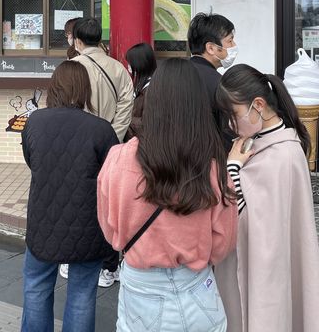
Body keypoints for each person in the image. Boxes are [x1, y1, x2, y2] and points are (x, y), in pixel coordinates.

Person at [98, 58, 237, 331]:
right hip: (196, 287)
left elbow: (109, 228)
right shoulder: (213, 167)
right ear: (198, 106)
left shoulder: (118, 159)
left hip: (139, 288)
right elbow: (224, 243)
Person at [214, 64, 319, 332]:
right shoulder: (256, 143)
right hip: (249, 263)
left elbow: (252, 224)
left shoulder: (284, 153)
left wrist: (232, 168)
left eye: (233, 114)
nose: (230, 124)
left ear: (258, 105)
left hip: (264, 270)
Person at [21, 60, 118, 332]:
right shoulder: (101, 129)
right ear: (85, 89)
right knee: (82, 295)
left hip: (43, 222)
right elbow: (111, 174)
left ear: (54, 87)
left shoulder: (35, 122)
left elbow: (31, 161)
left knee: (36, 288)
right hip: (88, 225)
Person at [71, 17, 134, 288]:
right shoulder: (118, 68)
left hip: (78, 147)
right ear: (100, 39)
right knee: (109, 204)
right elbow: (127, 103)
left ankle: (76, 257)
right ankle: (110, 265)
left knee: (81, 202)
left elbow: (66, 107)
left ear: (77, 40)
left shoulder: (71, 68)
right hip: (111, 146)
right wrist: (113, 136)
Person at [188, 12, 238, 149]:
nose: (234, 45)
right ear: (211, 48)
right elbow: (225, 129)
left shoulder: (174, 74)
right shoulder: (218, 83)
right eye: (230, 40)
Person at [124, 42, 157, 141]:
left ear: (139, 64)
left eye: (130, 63)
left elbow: (148, 123)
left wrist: (125, 119)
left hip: (143, 143)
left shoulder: (151, 90)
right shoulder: (141, 85)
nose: (128, 66)